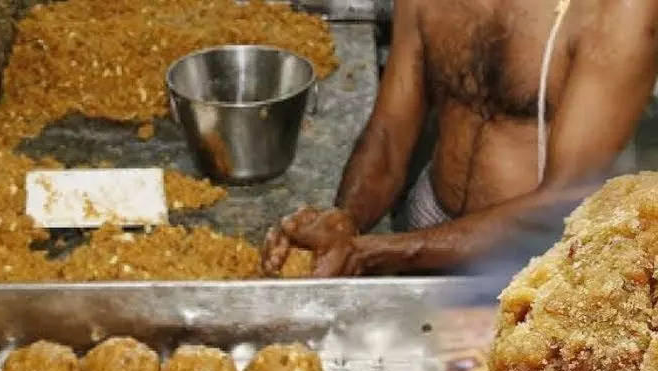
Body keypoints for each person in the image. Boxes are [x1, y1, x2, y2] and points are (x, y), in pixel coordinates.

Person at [263, 0, 658, 277]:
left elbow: (564, 203)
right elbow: (389, 133)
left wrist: (376, 253)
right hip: (428, 215)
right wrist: (344, 223)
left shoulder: (617, 10)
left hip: (535, 259)